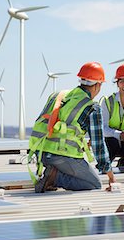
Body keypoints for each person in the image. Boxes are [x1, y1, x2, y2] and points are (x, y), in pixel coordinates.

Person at [29, 62, 116, 192]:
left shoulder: (57, 95)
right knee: (94, 184)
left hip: (41, 154)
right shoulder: (92, 107)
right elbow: (99, 146)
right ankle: (55, 177)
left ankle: (52, 173)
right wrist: (111, 177)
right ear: (98, 85)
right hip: (62, 156)